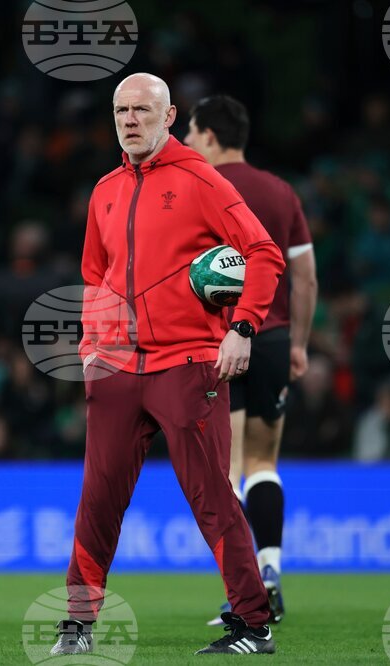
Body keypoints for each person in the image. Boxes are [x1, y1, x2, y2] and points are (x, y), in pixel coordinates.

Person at [52, 74, 285, 658]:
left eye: (141, 111)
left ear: (170, 115)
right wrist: (90, 345)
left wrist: (243, 327)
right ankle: (76, 626)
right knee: (98, 498)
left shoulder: (200, 178)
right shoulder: (104, 189)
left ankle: (253, 625)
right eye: (120, 111)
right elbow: (93, 276)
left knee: (211, 496)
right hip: (117, 369)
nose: (130, 121)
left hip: (188, 364)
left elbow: (264, 253)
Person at [184, 94, 317, 625]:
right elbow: (304, 277)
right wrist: (300, 343)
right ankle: (270, 571)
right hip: (274, 338)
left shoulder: (197, 188)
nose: (188, 143)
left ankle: (246, 594)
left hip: (217, 340)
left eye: (192, 133)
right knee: (264, 462)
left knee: (228, 468)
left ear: (211, 137)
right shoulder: (281, 192)